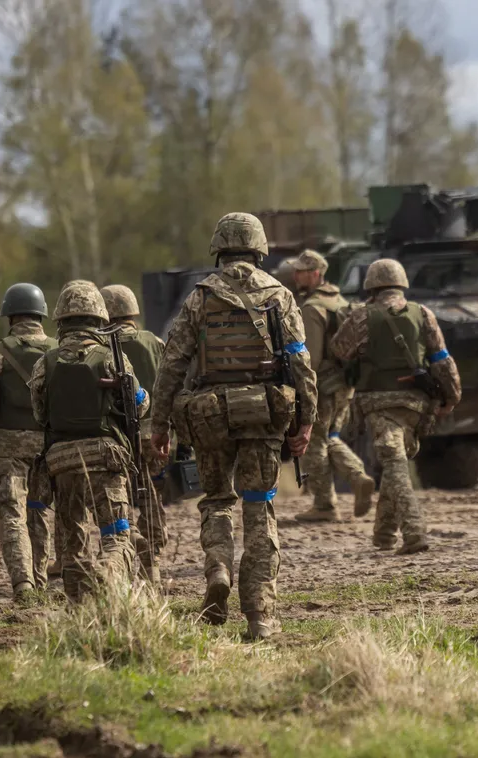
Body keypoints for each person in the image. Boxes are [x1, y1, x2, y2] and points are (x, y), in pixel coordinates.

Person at [149, 212, 316, 641]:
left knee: (218, 499)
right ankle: (261, 615)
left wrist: (160, 423)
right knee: (259, 506)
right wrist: (307, 420)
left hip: (208, 416)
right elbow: (300, 363)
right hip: (262, 415)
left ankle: (218, 568)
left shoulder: (200, 297)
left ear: (219, 248)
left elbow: (172, 364)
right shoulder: (279, 295)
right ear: (259, 249)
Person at [29, 281, 148, 601]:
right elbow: (138, 404)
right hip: (105, 458)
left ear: (61, 321)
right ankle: (108, 575)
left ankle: (79, 609)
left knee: (72, 543)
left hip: (62, 462)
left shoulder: (45, 362)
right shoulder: (114, 359)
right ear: (99, 319)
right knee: (117, 535)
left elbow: (40, 414)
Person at [331, 258, 460, 554]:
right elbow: (442, 359)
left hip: (379, 403)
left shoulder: (362, 317)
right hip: (416, 405)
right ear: (402, 284)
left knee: (394, 462)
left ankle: (414, 533)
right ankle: (384, 534)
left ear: (371, 287)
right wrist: (451, 397)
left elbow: (339, 350)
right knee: (395, 460)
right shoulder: (422, 313)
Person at [0, 283, 57, 601]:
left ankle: (23, 583)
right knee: (39, 510)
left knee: (13, 513)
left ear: (9, 315)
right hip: (48, 446)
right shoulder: (57, 350)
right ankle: (39, 578)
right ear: (41, 314)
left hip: (9, 448)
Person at [288, 250, 374, 523]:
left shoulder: (312, 307)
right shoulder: (339, 301)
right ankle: (357, 476)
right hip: (345, 385)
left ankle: (325, 505)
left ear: (316, 274)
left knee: (315, 441)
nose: (296, 275)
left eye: (301, 271)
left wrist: (301, 390)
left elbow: (310, 358)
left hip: (323, 386)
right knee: (330, 437)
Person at [100, 283, 168, 583]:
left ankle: (133, 541)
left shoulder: (101, 345)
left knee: (124, 490)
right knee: (152, 488)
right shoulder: (153, 341)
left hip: (119, 432)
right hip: (155, 430)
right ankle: (152, 546)